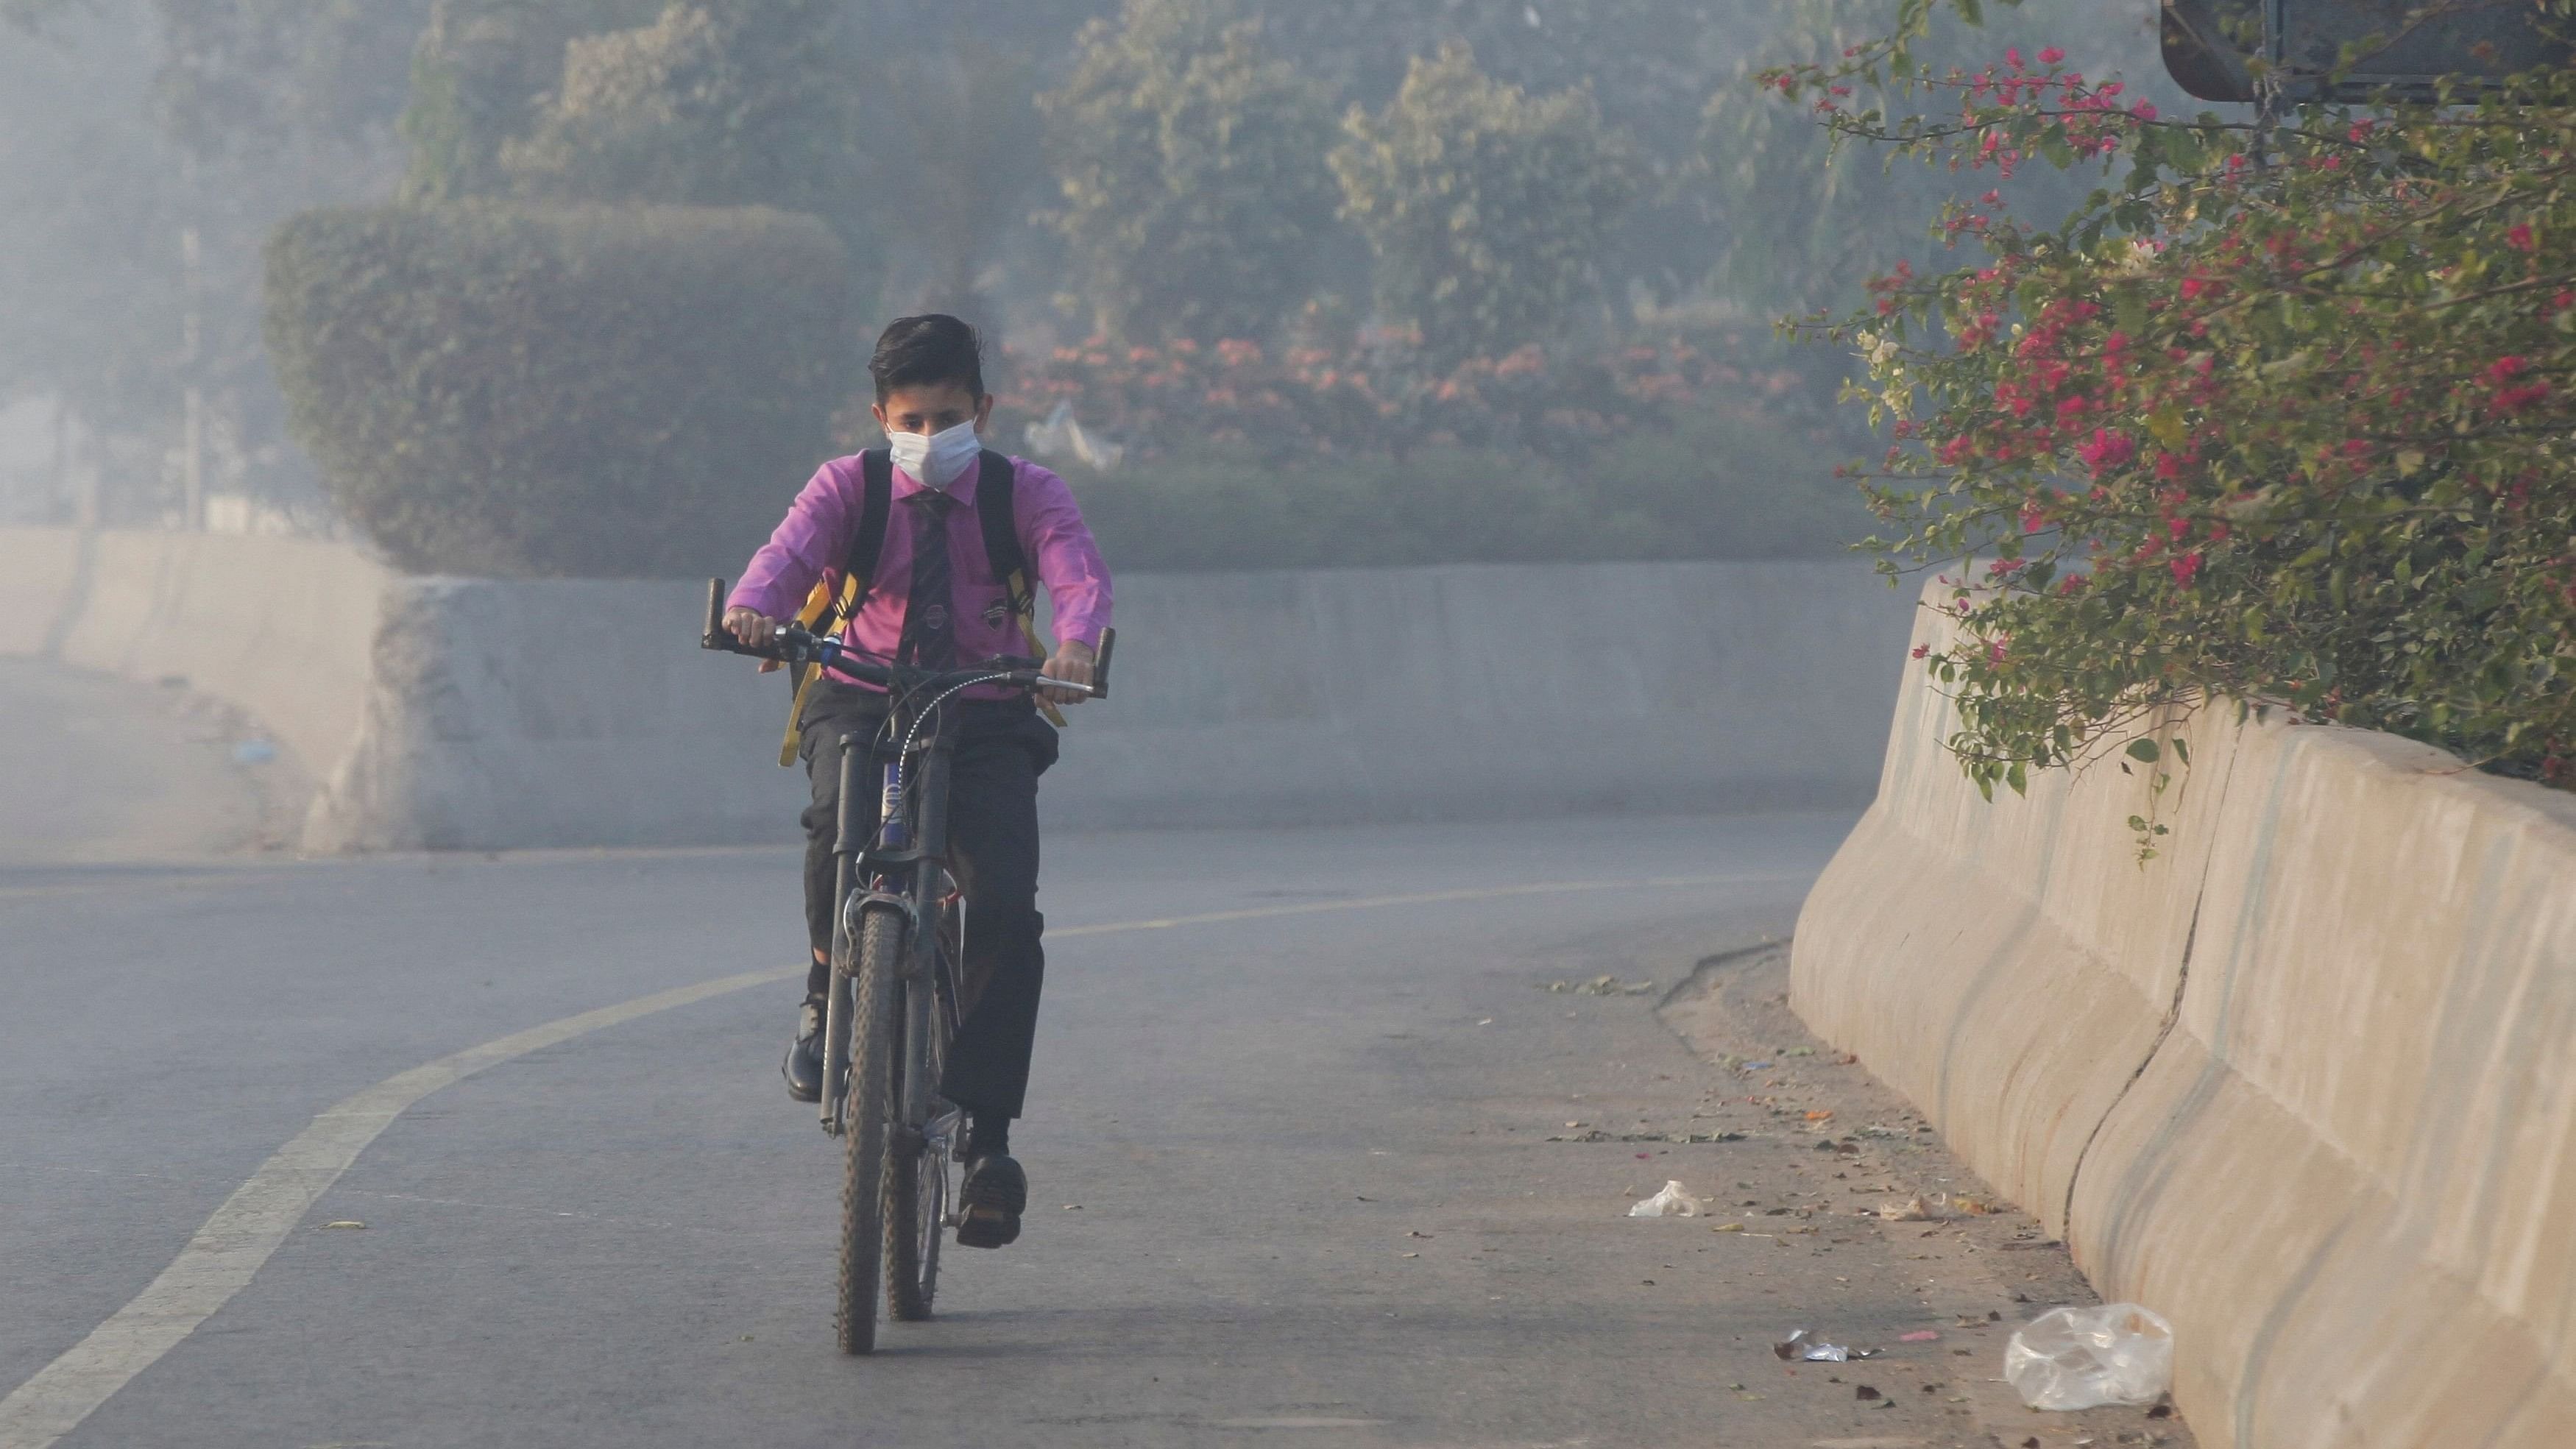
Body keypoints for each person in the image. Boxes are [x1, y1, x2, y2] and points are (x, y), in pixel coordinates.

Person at [721, 314, 1111, 1250]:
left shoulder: (1027, 491)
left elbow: (1077, 573)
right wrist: (751, 611)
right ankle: (826, 993)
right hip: (862, 700)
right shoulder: (845, 487)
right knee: (833, 828)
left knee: (1007, 910)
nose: (930, 438)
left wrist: (1073, 644)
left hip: (986, 710)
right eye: (912, 419)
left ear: (983, 408)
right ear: (880, 416)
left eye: (948, 416)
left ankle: (987, 1139)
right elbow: (784, 558)